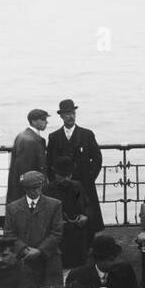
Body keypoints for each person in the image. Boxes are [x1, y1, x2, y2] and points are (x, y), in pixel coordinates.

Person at [4, 170, 65, 288]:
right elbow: (9, 234)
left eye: (38, 187)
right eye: (31, 188)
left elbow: (57, 233)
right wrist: (24, 250)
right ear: (25, 188)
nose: (36, 191)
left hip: (49, 258)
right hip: (24, 260)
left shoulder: (55, 205)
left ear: (42, 186)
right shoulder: (12, 208)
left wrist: (40, 251)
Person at [46, 99, 104, 237]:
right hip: (63, 186)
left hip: (84, 183)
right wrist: (56, 182)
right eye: (67, 114)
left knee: (88, 214)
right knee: (65, 216)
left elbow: (97, 158)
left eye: (73, 113)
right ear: (61, 116)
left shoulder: (86, 134)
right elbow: (49, 163)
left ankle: (89, 246)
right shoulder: (54, 137)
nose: (71, 116)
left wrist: (90, 177)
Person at [44, 155, 90, 271]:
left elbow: (88, 206)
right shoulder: (47, 190)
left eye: (68, 175)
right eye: (62, 176)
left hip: (77, 233)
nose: (66, 179)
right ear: (55, 174)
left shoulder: (77, 186)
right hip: (59, 235)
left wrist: (86, 216)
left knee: (79, 265)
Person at [5, 109, 49, 202]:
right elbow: (26, 169)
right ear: (33, 121)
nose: (46, 122)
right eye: (43, 119)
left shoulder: (24, 136)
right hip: (30, 188)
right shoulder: (30, 140)